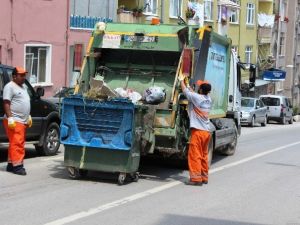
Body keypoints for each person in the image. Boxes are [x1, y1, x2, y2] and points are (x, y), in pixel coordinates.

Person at [179, 76, 212, 186]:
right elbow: (194, 94)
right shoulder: (208, 99)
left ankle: (196, 180)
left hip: (198, 132)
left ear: (201, 90)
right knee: (203, 155)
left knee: (195, 155)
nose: (198, 89)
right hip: (206, 132)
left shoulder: (197, 98)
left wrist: (181, 81)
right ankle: (204, 177)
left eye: (199, 88)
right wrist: (189, 86)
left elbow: (185, 92)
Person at [3, 67, 32, 175]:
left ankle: (11, 165)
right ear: (14, 76)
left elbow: (24, 102)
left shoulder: (23, 87)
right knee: (17, 143)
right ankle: (18, 166)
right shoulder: (10, 87)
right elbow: (6, 102)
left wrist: (28, 115)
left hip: (22, 120)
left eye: (24, 75)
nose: (24, 77)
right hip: (14, 119)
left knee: (15, 143)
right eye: (21, 75)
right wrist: (10, 117)